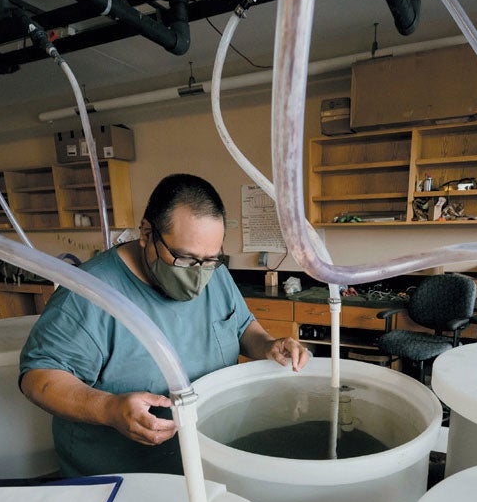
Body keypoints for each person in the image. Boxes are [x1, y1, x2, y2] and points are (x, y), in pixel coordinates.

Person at [20, 173, 309, 477]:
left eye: (210, 259)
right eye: (185, 259)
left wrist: (267, 345)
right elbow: (39, 378)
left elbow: (241, 327)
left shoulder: (215, 275)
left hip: (203, 460)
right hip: (121, 476)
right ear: (146, 233)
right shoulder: (89, 294)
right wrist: (109, 408)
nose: (199, 275)